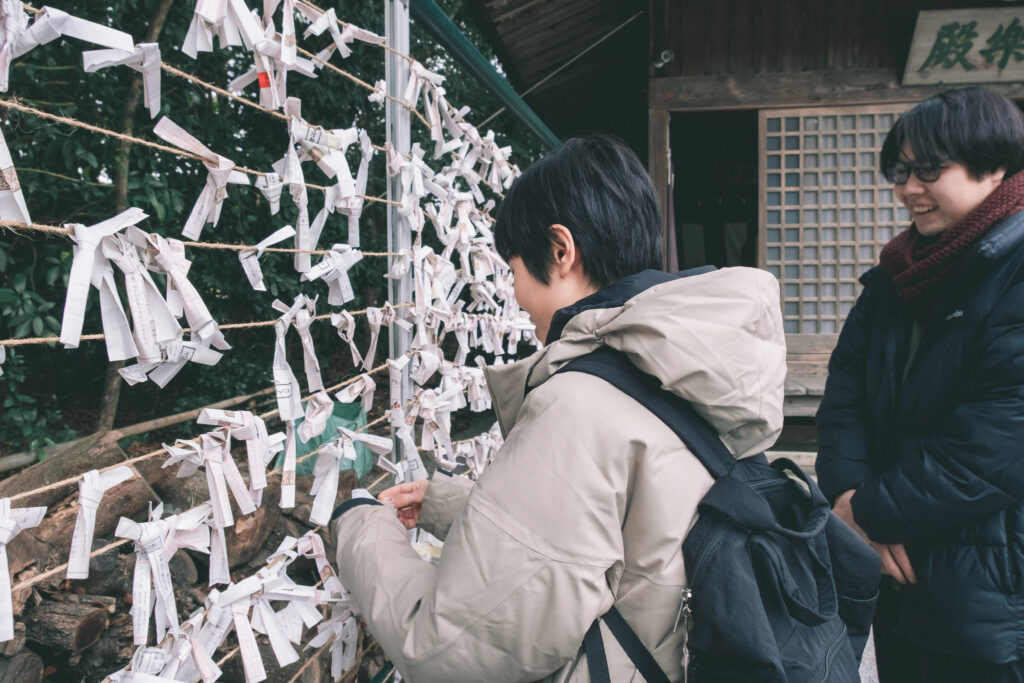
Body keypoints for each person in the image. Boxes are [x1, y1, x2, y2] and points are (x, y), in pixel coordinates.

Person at [331, 134, 786, 682]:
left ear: (560, 250)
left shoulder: (579, 403)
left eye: (515, 269)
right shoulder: (682, 364)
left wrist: (358, 527)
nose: (517, 297)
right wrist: (453, 507)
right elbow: (623, 537)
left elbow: (453, 651)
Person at [816, 87, 1024, 683]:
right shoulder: (897, 278)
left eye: (929, 169)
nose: (909, 188)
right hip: (895, 577)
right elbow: (844, 395)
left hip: (990, 594)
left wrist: (873, 513)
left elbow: (999, 436)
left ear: (994, 164)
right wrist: (851, 508)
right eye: (902, 170)